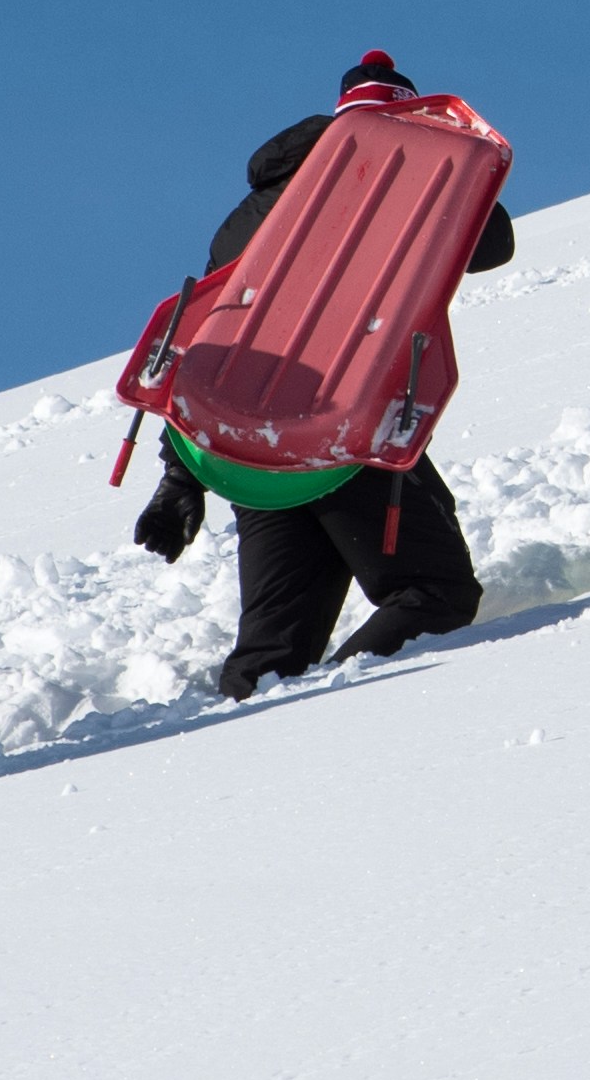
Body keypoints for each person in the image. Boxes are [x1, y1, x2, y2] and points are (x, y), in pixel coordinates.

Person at [130, 52, 513, 695]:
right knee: (434, 593)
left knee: (272, 652)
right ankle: (341, 706)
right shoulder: (415, 180)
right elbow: (494, 245)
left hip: (245, 451)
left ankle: (251, 738)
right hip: (341, 433)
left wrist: (181, 477)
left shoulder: (255, 210)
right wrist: (447, 154)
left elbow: (214, 339)